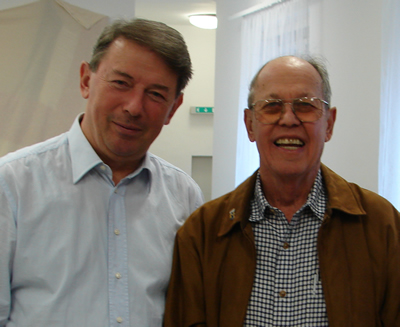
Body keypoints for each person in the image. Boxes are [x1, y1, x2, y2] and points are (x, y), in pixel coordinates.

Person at [164, 55, 400, 326]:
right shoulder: (201, 233)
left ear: (329, 124)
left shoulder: (383, 227)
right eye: (273, 106)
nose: (289, 119)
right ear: (250, 124)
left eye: (305, 105)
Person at [0, 18, 204, 326]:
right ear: (85, 80)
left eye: (156, 94)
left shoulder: (184, 197)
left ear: (173, 109)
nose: (134, 107)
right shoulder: (13, 184)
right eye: (121, 83)